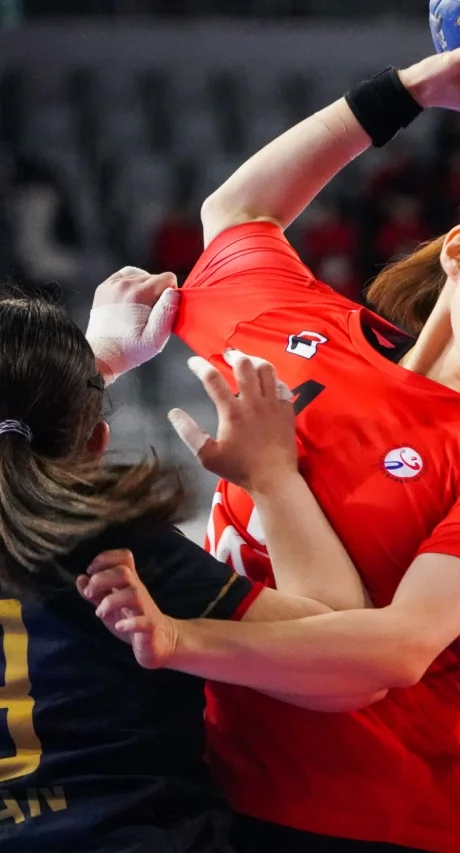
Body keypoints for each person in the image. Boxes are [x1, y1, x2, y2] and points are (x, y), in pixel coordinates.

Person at [117, 28, 460, 853]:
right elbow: (235, 212)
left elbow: (398, 650)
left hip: (381, 827)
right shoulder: (302, 334)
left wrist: (176, 640)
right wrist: (415, 90)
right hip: (217, 799)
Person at [0, 276, 377, 853]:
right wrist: (272, 477)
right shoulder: (117, 551)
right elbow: (348, 656)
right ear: (98, 440)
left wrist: (94, 364)